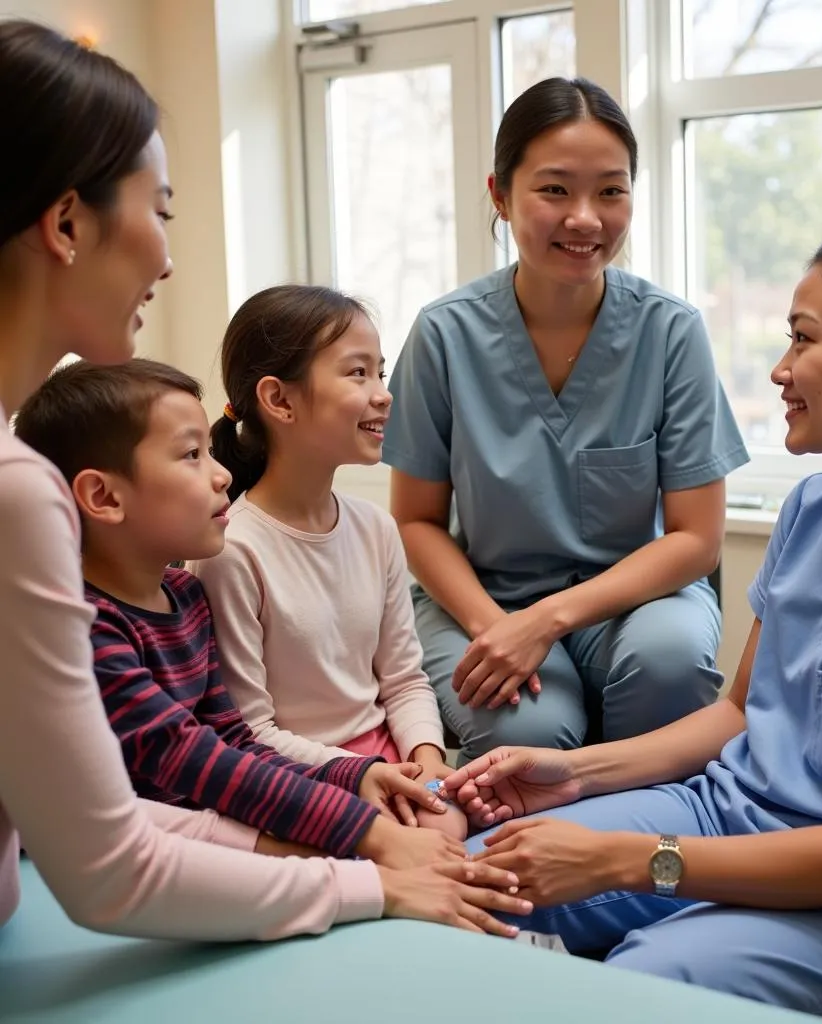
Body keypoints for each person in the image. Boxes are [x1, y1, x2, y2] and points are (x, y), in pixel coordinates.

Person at [0, 18, 526, 940]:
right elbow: (115, 860)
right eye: (159, 210)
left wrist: (377, 790)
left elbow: (198, 758)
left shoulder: (350, 530)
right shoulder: (22, 496)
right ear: (69, 223)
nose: (168, 256)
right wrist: (370, 870)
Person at [445, 218, 822, 1023]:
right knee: (463, 878)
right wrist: (574, 775)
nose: (781, 370)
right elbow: (737, 714)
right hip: (727, 813)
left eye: (803, 340)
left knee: (643, 986)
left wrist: (625, 862)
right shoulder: (818, 507)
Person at [383, 77, 749, 764]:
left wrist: (549, 621)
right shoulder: (443, 335)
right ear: (500, 194)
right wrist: (499, 629)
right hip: (486, 601)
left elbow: (697, 538)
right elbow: (417, 521)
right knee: (524, 729)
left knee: (667, 667)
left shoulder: (671, 333)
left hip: (637, 602)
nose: (586, 218)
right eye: (555, 189)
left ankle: (644, 861)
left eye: (611, 190)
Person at [15, 357, 465, 853]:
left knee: (438, 825)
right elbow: (188, 759)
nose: (222, 475)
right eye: (191, 455)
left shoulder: (183, 595)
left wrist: (352, 777)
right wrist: (355, 837)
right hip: (136, 849)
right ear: (103, 496)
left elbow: (232, 739)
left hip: (201, 820)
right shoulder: (84, 626)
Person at [192, 286, 466, 841]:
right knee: (432, 847)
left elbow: (405, 679)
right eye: (358, 374)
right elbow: (249, 730)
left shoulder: (376, 528)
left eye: (381, 373)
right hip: (299, 779)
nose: (384, 395)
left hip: (391, 764)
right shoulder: (232, 550)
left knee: (467, 821)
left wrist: (429, 758)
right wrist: (362, 773)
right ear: (280, 400)